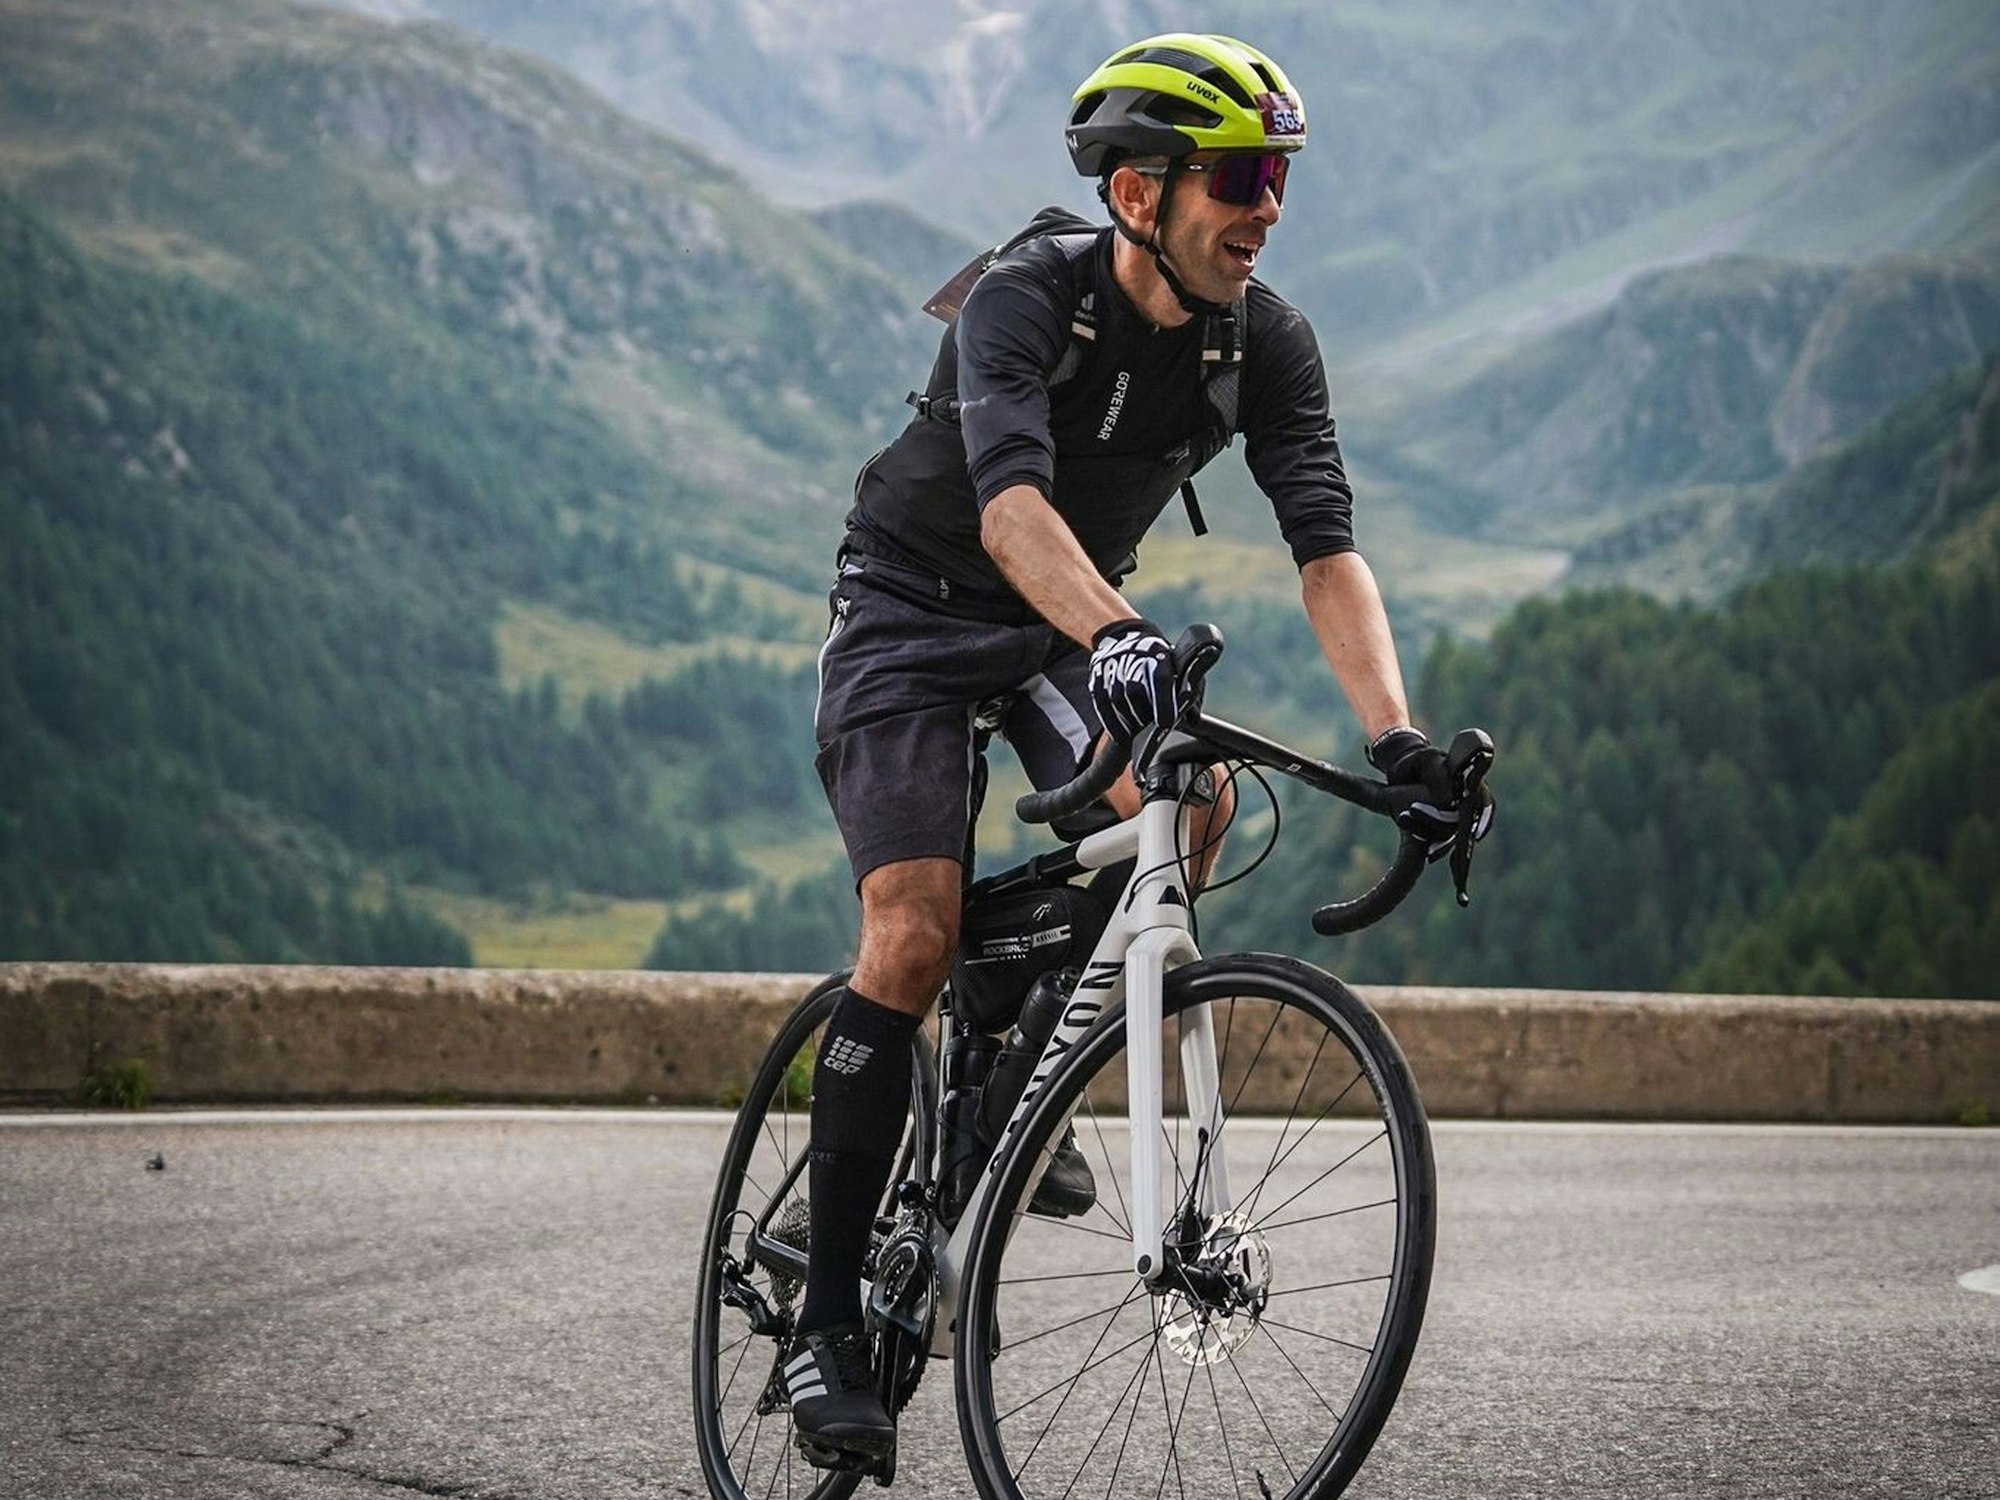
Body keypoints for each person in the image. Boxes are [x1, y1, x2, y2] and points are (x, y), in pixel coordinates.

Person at [785, 32, 1490, 1473]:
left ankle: (1017, 1082)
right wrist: (1119, 632)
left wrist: (1396, 736)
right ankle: (828, 1317)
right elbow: (1008, 513)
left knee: (1194, 805)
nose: (1268, 207)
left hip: (1061, 627)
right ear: (1135, 195)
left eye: (1280, 176)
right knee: (911, 934)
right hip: (913, 615)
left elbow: (1325, 546)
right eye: (1239, 176)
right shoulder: (1023, 301)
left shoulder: (1260, 341)